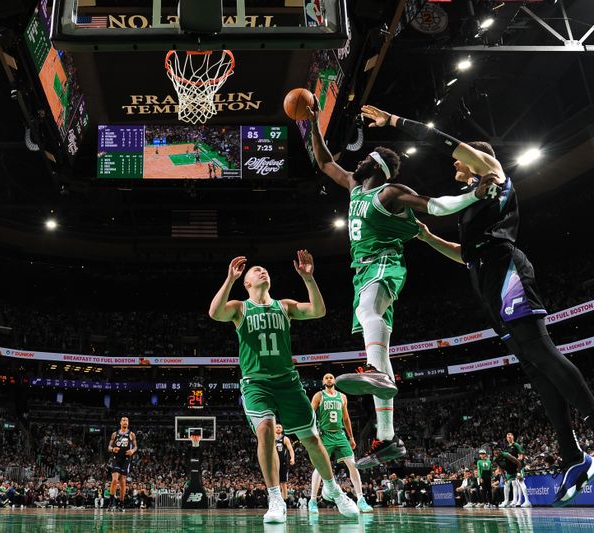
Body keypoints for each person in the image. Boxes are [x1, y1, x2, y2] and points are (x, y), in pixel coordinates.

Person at [362, 103, 594, 506]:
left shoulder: (493, 169)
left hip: (506, 268)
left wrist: (394, 121)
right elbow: (465, 252)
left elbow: (439, 141)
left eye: (459, 162)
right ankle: (573, 455)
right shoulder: (475, 199)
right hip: (483, 272)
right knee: (533, 367)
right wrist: (425, 236)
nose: (454, 168)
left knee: (540, 349)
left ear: (475, 157)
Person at [307, 101, 494, 469]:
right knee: (381, 353)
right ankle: (388, 439)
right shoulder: (355, 187)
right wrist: (312, 122)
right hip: (363, 272)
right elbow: (325, 162)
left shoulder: (389, 194)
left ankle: (376, 374)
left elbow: (435, 206)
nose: (356, 163)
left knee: (367, 316)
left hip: (383, 263)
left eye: (364, 160)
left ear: (377, 166)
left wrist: (474, 194)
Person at [209, 252, 359, 523]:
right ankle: (275, 497)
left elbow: (318, 311)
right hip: (255, 383)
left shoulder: (285, 306)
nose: (262, 272)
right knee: (265, 429)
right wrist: (230, 279)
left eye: (264, 269)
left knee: (311, 439)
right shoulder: (240, 308)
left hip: (288, 383)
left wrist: (309, 279)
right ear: (247, 282)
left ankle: (334, 490)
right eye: (256, 270)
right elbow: (215, 313)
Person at [308, 373, 373, 514]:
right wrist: (312, 433)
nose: (329, 379)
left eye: (331, 377)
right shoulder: (319, 396)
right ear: (323, 381)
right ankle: (312, 500)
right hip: (324, 435)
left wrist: (351, 437)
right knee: (320, 468)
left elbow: (346, 418)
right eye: (326, 377)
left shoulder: (342, 397)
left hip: (340, 434)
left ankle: (361, 499)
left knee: (353, 465)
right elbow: (310, 415)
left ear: (335, 381)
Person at [108, 416, 137, 511]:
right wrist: (112, 449)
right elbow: (109, 447)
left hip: (126, 459)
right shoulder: (114, 434)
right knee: (115, 480)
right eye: (124, 420)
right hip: (116, 458)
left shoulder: (131, 434)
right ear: (120, 422)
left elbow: (136, 447)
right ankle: (111, 502)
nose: (125, 422)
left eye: (127, 420)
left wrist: (132, 450)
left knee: (123, 482)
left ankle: (121, 503)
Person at [505, 432, 531, 507]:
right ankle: (516, 500)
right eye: (507, 437)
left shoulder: (516, 445)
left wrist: (517, 460)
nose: (508, 438)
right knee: (514, 484)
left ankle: (527, 501)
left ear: (513, 437)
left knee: (520, 482)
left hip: (519, 466)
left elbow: (521, 455)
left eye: (510, 436)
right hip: (512, 468)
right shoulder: (507, 447)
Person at [274, 424, 295, 502]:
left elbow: (290, 449)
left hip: (283, 462)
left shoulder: (285, 438)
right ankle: (277, 499)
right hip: (274, 463)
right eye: (277, 427)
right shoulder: (271, 438)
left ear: (282, 429)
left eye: (280, 427)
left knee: (283, 482)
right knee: (275, 482)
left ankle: (285, 499)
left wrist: (292, 458)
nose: (278, 428)